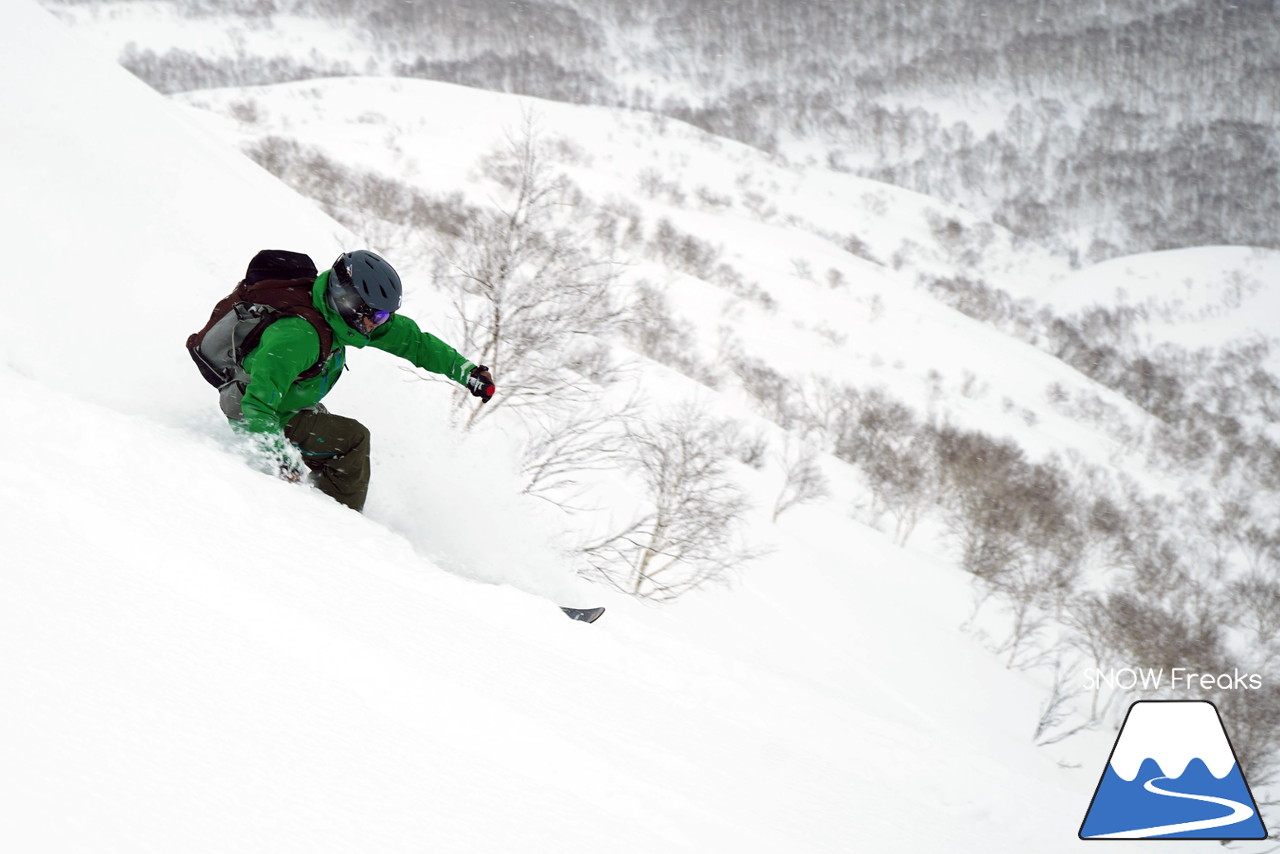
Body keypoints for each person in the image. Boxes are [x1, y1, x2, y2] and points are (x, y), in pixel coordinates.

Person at [227, 249, 493, 511]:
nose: (381, 323)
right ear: (348, 302)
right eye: (378, 315)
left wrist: (466, 372)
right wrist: (282, 463)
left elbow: (415, 342)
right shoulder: (298, 337)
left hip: (288, 401)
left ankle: (320, 503)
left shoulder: (343, 320)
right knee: (351, 439)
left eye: (386, 315)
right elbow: (257, 408)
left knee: (330, 439)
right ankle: (338, 523)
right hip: (254, 408)